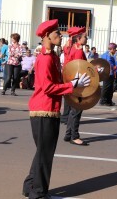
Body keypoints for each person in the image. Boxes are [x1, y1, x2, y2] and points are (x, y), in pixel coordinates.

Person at [22, 19, 90, 199]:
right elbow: (48, 87)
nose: (60, 36)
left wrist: (70, 84)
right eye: (57, 34)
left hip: (49, 109)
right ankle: (38, 192)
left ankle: (29, 185)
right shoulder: (44, 58)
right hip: (43, 109)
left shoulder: (51, 56)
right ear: (47, 36)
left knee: (42, 151)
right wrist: (72, 85)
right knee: (45, 154)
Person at [63, 27, 91, 146]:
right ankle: (74, 136)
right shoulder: (78, 51)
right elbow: (81, 68)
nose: (87, 37)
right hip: (77, 83)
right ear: (78, 38)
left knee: (72, 110)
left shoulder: (71, 48)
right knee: (77, 110)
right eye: (85, 36)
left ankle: (68, 134)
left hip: (71, 81)